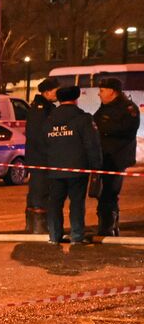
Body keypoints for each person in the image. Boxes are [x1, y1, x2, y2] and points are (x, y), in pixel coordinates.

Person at [43, 84, 103, 246]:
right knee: (76, 203)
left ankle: (54, 235)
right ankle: (76, 236)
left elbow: (44, 144)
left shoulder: (49, 120)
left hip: (54, 169)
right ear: (76, 99)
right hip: (77, 169)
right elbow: (92, 144)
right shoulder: (83, 119)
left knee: (55, 203)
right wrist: (96, 166)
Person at [92, 76, 140, 237]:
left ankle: (108, 227)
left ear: (112, 91)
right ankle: (107, 225)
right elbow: (95, 123)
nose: (99, 94)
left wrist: (102, 128)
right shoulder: (104, 107)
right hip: (103, 157)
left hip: (117, 159)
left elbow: (127, 130)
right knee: (101, 193)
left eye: (102, 90)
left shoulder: (128, 108)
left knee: (109, 193)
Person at [24, 77, 61, 234]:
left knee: (39, 191)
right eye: (56, 91)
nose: (58, 94)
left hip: (39, 158)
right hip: (41, 159)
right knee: (40, 191)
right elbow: (39, 136)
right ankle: (38, 226)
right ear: (47, 92)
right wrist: (50, 152)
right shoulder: (41, 110)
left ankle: (34, 225)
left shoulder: (44, 107)